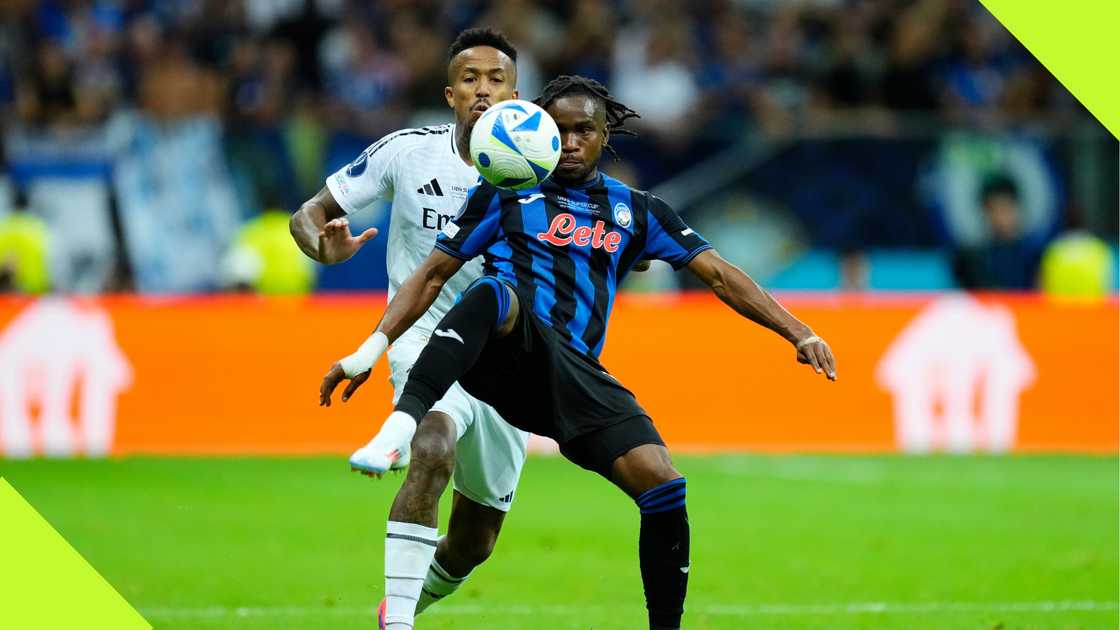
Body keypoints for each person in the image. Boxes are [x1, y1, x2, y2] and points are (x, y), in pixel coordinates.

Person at [320, 75, 837, 629]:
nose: (569, 141)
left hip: (573, 377)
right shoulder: (505, 192)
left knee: (661, 483)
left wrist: (798, 331)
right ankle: (402, 425)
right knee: (494, 291)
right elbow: (431, 275)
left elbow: (720, 275)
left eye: (583, 130)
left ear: (603, 134)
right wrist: (370, 349)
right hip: (503, 356)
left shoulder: (637, 210)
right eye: (558, 130)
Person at [289, 28, 531, 630]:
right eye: (470, 80)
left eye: (495, 79)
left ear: (516, 94)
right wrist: (320, 247)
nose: (483, 90)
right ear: (450, 95)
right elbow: (311, 212)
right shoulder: (407, 150)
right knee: (432, 445)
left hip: (508, 355)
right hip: (422, 335)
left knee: (476, 540)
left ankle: (402, 603)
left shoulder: (542, 168)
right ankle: (400, 623)